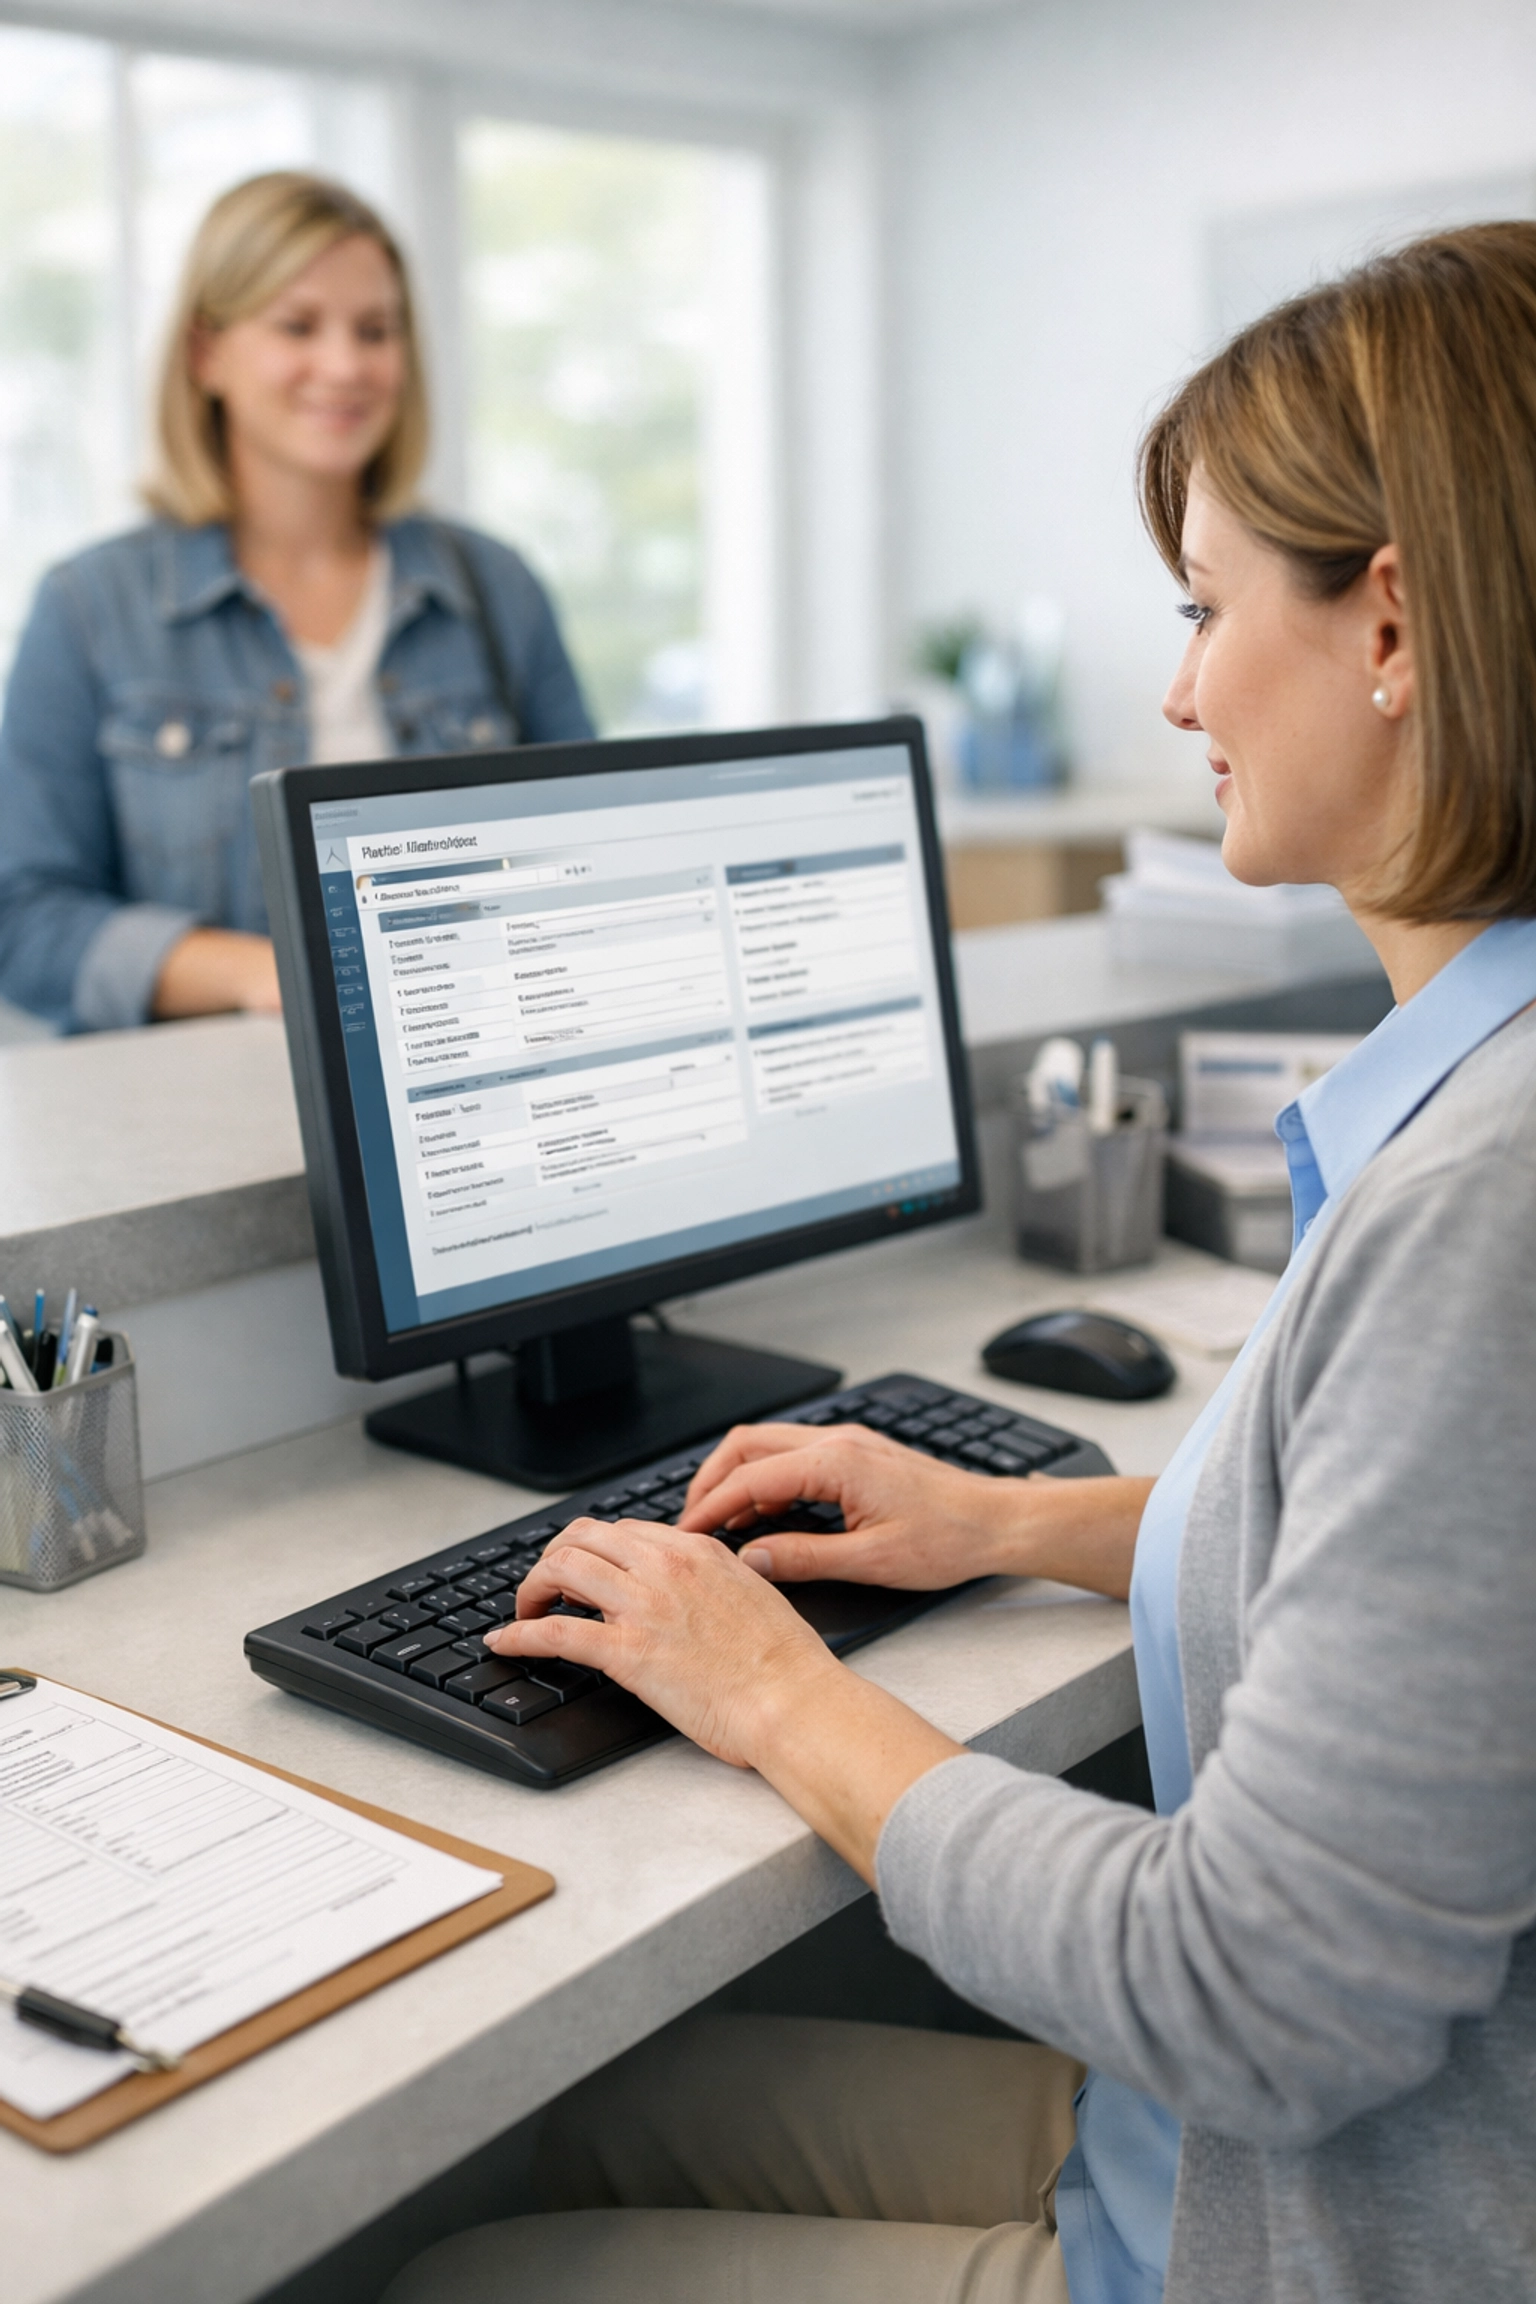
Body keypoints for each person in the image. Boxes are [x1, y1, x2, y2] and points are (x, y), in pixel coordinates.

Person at [384, 220, 1536, 2304]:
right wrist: (1012, 1516)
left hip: (1299, 2231)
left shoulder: (1491, 1202)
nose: (1177, 689)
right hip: (1215, 2150)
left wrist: (773, 1697)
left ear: (1395, 620)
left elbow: (1254, 1998)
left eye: (1201, 610)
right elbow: (1425, 1570)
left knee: (458, 2273)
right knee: (562, 2129)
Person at [0, 171, 591, 1035]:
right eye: (298, 326)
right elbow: (23, 919)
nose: (346, 365)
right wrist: (272, 972)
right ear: (207, 354)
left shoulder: (495, 591)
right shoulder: (90, 606)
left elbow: (588, 858)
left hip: (473, 1094)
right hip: (194, 1122)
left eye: (376, 330)